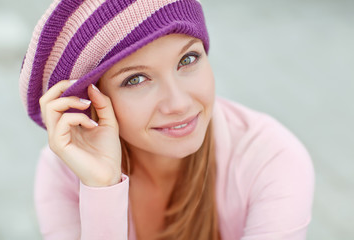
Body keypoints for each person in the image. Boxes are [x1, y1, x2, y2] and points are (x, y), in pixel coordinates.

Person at [19, 0, 315, 239]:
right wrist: (101, 189)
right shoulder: (64, 174)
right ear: (92, 100)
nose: (179, 103)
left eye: (188, 60)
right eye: (135, 79)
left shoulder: (270, 158)